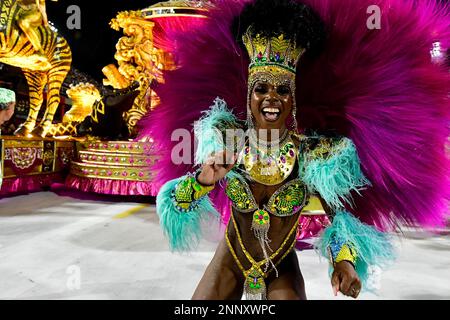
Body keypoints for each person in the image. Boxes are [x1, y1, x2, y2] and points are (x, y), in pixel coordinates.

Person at [142, 0, 449, 300]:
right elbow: (178, 207)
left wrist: (343, 264)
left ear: (293, 99)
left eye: (282, 90)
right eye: (261, 89)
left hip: (281, 267)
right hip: (229, 261)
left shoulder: (316, 154)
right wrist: (203, 181)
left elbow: (340, 218)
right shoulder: (226, 138)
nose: (271, 98)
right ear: (249, 95)